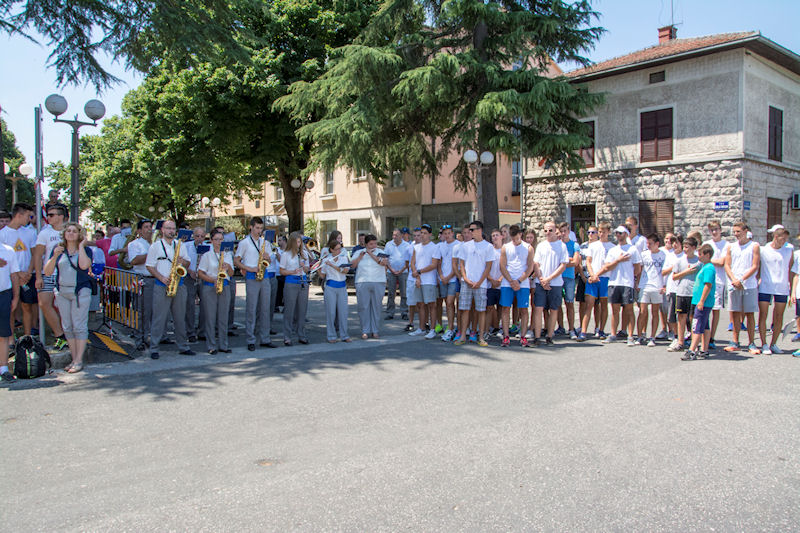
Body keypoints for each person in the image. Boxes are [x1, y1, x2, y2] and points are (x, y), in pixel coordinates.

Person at [43, 223, 93, 373]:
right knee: (67, 327)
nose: (71, 233)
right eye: (68, 231)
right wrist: (55, 256)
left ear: (79, 234)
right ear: (64, 234)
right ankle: (74, 358)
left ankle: (79, 360)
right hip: (62, 291)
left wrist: (81, 246)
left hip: (80, 291)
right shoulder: (58, 249)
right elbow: (47, 271)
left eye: (74, 231)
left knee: (79, 326)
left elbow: (84, 266)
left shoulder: (86, 250)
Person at [145, 219, 194, 359]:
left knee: (180, 318)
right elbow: (149, 266)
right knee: (159, 318)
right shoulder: (155, 246)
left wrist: (182, 261)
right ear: (162, 230)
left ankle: (183, 346)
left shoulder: (180, 245)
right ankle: (154, 348)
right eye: (168, 228)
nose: (171, 231)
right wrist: (161, 278)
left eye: (173, 229)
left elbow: (188, 263)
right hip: (162, 285)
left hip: (179, 284)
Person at [596, 226, 642, 346]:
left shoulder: (633, 249)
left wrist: (630, 277)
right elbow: (607, 267)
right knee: (615, 310)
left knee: (629, 310)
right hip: (614, 283)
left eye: (620, 233)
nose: (618, 235)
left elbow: (637, 269)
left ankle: (630, 336)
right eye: (616, 233)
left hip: (627, 284)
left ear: (626, 234)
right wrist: (618, 260)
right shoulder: (613, 250)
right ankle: (613, 334)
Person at [234, 217, 275, 351]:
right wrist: (249, 268)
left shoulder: (265, 243)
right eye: (257, 228)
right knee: (251, 309)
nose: (259, 231)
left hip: (265, 276)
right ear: (251, 227)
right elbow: (236, 261)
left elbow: (269, 260)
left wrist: (267, 258)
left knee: (265, 309)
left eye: (261, 228)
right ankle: (250, 339)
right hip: (252, 276)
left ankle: (265, 338)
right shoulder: (244, 243)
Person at [33, 203, 68, 349]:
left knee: (66, 306)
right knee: (44, 303)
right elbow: (38, 255)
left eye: (51, 215)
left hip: (66, 274)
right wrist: (38, 276)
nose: (48, 217)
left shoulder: (70, 230)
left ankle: (71, 334)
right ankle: (60, 335)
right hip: (48, 272)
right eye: (48, 215)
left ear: (61, 216)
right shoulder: (44, 233)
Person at [455, 221, 494, 347]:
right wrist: (465, 278)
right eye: (469, 230)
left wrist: (480, 281)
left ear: (480, 230)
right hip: (466, 283)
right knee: (464, 309)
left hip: (481, 284)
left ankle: (481, 337)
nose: (470, 232)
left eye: (472, 230)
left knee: (481, 310)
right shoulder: (465, 246)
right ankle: (462, 336)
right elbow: (461, 264)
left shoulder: (488, 247)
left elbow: (488, 266)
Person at [0, 203, 36, 337]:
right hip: (10, 277)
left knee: (27, 306)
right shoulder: (2, 234)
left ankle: (27, 337)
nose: (30, 219)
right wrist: (18, 273)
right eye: (28, 216)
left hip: (27, 276)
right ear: (19, 215)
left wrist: (29, 272)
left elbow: (35, 254)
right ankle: (10, 339)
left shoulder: (30, 232)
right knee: (10, 309)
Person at [724, 222, 760, 354]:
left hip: (749, 285)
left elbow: (755, 266)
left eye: (738, 231)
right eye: (734, 232)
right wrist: (734, 279)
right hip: (734, 284)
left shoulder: (754, 246)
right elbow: (727, 265)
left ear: (745, 231)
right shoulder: (731, 247)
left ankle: (751, 343)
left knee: (750, 314)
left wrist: (742, 279)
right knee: (735, 313)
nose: (736, 234)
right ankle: (735, 341)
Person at [197, 229, 234, 354]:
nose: (219, 242)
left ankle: (224, 345)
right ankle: (211, 345)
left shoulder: (227, 254)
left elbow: (231, 274)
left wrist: (228, 267)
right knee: (210, 317)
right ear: (211, 241)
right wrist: (212, 280)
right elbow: (200, 273)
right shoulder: (207, 255)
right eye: (216, 239)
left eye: (221, 239)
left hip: (225, 286)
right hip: (210, 286)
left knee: (223, 317)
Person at [757, 228, 793, 355]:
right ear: (776, 237)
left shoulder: (788, 251)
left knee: (779, 316)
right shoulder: (763, 250)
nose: (784, 242)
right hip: (766, 286)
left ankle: (773, 343)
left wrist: (791, 287)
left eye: (786, 239)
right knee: (763, 315)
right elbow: (757, 266)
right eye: (783, 239)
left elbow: (790, 269)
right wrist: (757, 280)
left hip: (782, 287)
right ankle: (764, 344)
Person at [533, 221, 569, 345]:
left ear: (555, 231)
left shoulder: (562, 246)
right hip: (540, 283)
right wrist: (542, 279)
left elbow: (563, 265)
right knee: (538, 309)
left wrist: (549, 279)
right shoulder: (541, 246)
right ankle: (537, 337)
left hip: (556, 283)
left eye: (550, 230)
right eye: (545, 230)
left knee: (554, 309)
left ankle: (549, 336)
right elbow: (536, 264)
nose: (548, 233)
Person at [499, 224, 534, 347]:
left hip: (522, 283)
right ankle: (506, 336)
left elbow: (530, 267)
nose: (514, 240)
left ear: (520, 234)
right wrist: (511, 281)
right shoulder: (505, 247)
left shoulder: (528, 248)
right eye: (512, 238)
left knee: (523, 309)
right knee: (505, 308)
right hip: (507, 282)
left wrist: (519, 281)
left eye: (517, 238)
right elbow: (502, 266)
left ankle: (523, 336)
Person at [680, 244, 716, 360]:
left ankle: (692, 350)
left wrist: (701, 301)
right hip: (700, 301)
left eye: (700, 254)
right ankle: (704, 350)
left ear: (707, 255)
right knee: (705, 326)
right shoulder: (705, 267)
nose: (698, 256)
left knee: (697, 326)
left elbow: (708, 285)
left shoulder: (709, 268)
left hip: (703, 302)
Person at [352, 234, 389, 339]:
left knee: (376, 307)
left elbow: (383, 263)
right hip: (362, 281)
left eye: (375, 243)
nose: (374, 246)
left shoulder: (381, 252)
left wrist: (370, 254)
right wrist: (360, 257)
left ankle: (375, 330)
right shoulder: (359, 252)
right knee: (363, 307)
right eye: (371, 244)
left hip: (378, 281)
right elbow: (353, 265)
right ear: (366, 244)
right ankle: (365, 330)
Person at [407, 224, 441, 338]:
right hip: (418, 281)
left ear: (430, 235)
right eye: (421, 233)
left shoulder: (434, 247)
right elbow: (412, 263)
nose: (422, 235)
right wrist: (417, 277)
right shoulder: (416, 247)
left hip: (429, 281)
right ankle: (421, 328)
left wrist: (419, 272)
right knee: (420, 305)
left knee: (432, 305)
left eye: (425, 233)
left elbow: (434, 265)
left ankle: (432, 329)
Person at [580, 222, 612, 340]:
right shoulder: (593, 246)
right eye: (600, 232)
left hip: (605, 278)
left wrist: (597, 275)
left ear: (608, 232)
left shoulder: (612, 247)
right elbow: (588, 261)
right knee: (589, 305)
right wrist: (592, 275)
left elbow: (609, 265)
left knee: (603, 305)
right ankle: (583, 331)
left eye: (604, 232)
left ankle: (601, 330)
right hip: (593, 278)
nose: (601, 234)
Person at [279, 231, 311, 345]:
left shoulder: (303, 253)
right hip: (291, 282)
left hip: (303, 282)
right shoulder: (286, 254)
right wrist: (292, 271)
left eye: (300, 242)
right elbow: (281, 271)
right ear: (292, 242)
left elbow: (307, 269)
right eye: (297, 242)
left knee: (302, 310)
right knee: (289, 310)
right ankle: (287, 336)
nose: (299, 244)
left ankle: (301, 334)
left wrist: (304, 266)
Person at [702, 220, 730, 349]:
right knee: (705, 309)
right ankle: (705, 336)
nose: (714, 232)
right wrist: (711, 261)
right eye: (712, 230)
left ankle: (712, 337)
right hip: (707, 280)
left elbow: (722, 262)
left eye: (716, 229)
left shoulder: (726, 245)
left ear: (720, 230)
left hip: (719, 281)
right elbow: (702, 260)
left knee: (715, 310)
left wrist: (709, 260)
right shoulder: (706, 244)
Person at [670, 237, 701, 353]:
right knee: (681, 317)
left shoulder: (699, 261)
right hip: (682, 292)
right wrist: (686, 272)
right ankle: (680, 342)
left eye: (687, 247)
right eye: (684, 246)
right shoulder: (679, 261)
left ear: (694, 248)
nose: (684, 249)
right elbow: (674, 277)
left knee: (693, 318)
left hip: (694, 293)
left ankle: (694, 343)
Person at [127, 220, 154, 348]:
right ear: (139, 231)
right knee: (141, 312)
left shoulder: (155, 243)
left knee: (152, 312)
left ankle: (148, 337)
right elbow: (134, 260)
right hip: (143, 278)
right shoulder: (134, 244)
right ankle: (139, 339)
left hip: (156, 279)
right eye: (146, 227)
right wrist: (151, 253)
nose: (149, 229)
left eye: (150, 227)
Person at [637, 233, 666, 346]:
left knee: (655, 312)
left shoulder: (663, 255)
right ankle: (640, 336)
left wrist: (664, 286)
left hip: (657, 286)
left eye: (650, 243)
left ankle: (652, 337)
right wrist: (638, 283)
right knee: (642, 311)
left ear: (657, 244)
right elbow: (640, 269)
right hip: (645, 285)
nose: (648, 245)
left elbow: (665, 271)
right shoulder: (644, 254)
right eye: (647, 243)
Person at [322, 239, 351, 343]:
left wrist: (332, 265)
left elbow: (345, 271)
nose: (339, 251)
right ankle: (331, 336)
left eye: (340, 249)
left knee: (343, 312)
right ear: (331, 250)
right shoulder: (326, 260)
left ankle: (344, 335)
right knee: (331, 313)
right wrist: (318, 266)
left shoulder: (344, 258)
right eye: (337, 249)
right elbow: (322, 275)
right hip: (330, 287)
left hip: (342, 287)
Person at [0, 240, 20, 381]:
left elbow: (14, 275)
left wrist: (16, 297)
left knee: (4, 333)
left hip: (4, 294)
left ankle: (4, 368)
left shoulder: (8, 250)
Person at [557, 222, 581, 339]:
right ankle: (560, 327)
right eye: (561, 231)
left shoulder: (574, 245)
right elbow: (556, 262)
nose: (563, 233)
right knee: (557, 304)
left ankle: (571, 329)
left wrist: (564, 262)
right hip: (558, 277)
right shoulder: (557, 245)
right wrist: (568, 260)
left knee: (569, 303)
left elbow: (575, 262)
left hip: (569, 278)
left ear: (568, 231)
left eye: (565, 231)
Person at [661, 234, 684, 345]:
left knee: (682, 315)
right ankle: (675, 336)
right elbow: (663, 272)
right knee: (672, 315)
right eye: (673, 242)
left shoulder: (685, 256)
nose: (674, 245)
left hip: (683, 290)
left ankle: (683, 336)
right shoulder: (669, 256)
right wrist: (673, 267)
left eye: (677, 242)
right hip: (671, 288)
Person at [183, 227, 205, 342]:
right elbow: (182, 261)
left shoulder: (208, 247)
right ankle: (190, 332)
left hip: (203, 277)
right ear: (193, 236)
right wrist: (189, 271)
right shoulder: (186, 246)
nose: (199, 238)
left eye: (202, 236)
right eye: (197, 236)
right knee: (190, 306)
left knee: (205, 305)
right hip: (189, 277)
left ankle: (202, 331)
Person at [384, 228, 411, 320]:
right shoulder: (388, 244)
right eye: (393, 235)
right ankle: (390, 312)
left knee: (404, 293)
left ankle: (404, 312)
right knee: (391, 293)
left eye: (396, 235)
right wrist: (391, 269)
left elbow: (408, 261)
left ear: (401, 236)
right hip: (391, 272)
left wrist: (401, 270)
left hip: (403, 272)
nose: (394, 237)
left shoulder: (407, 245)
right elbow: (386, 259)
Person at [485, 228, 504, 337]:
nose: (495, 237)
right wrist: (491, 280)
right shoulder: (489, 250)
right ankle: (487, 330)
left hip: (502, 284)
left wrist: (500, 280)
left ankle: (500, 328)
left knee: (501, 307)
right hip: (490, 284)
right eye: (493, 236)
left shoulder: (505, 251)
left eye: (497, 235)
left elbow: (507, 267)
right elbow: (485, 268)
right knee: (489, 307)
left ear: (502, 236)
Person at [403, 228, 422, 332]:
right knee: (411, 302)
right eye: (415, 235)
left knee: (422, 303)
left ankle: (424, 323)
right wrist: (413, 272)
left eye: (418, 235)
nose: (417, 237)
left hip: (423, 277)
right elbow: (407, 263)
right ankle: (411, 323)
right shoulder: (409, 247)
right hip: (411, 278)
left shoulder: (426, 246)